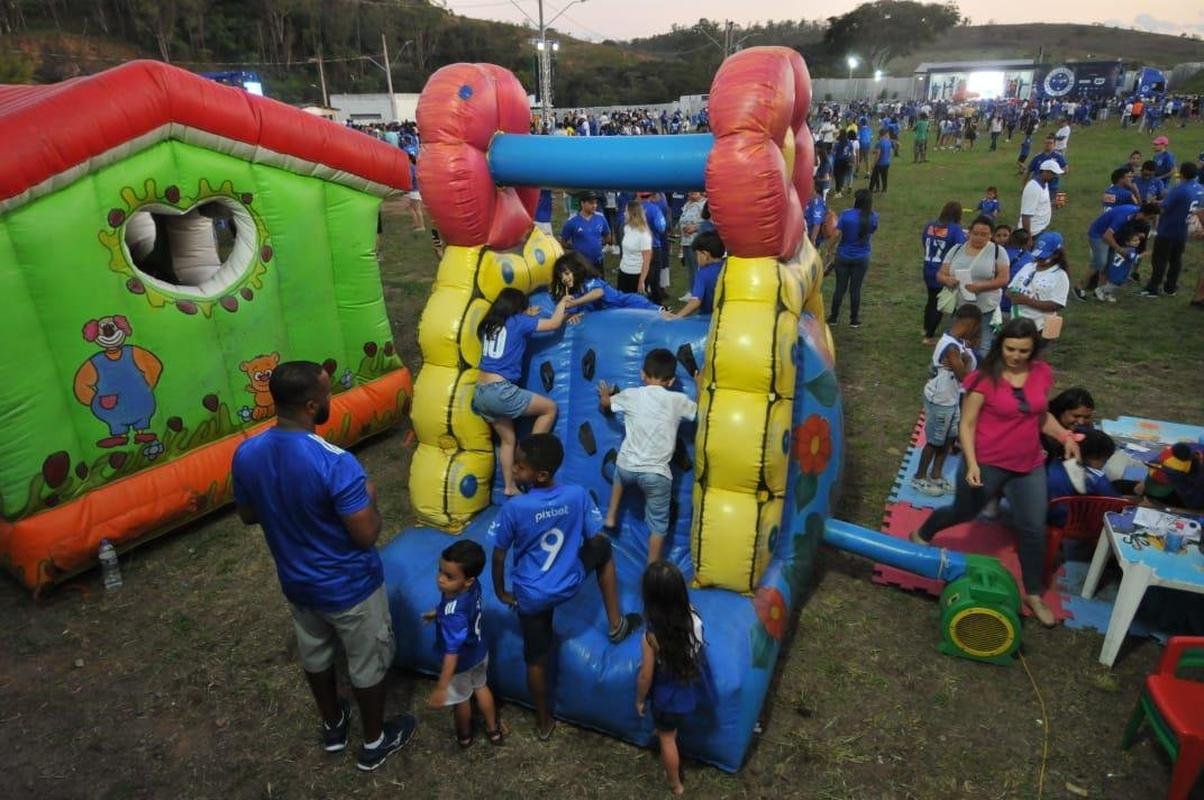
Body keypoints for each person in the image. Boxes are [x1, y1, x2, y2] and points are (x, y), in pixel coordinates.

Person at [232, 361, 417, 772]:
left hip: (297, 583)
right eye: (328, 394)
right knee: (368, 661)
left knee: (315, 653)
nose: (331, 399)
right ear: (312, 404)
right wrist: (369, 496)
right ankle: (374, 741)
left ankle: (333, 726)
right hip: (349, 585)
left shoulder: (246, 452)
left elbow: (248, 515)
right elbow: (366, 534)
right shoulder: (336, 462)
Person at [909, 317, 1081, 628]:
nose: (1016, 356)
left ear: (1033, 349)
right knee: (964, 510)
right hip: (986, 461)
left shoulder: (1041, 373)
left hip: (1028, 465)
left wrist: (1065, 436)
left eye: (1023, 350)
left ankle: (1033, 593)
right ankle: (923, 532)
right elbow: (967, 424)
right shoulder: (984, 378)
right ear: (1000, 345)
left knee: (1033, 528)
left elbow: (1040, 417)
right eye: (1010, 349)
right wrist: (972, 463)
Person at [489, 433, 640, 739]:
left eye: (519, 467)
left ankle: (544, 723)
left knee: (536, 658)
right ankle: (616, 623)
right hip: (568, 583)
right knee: (603, 548)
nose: (514, 471)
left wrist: (502, 592)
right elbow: (592, 535)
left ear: (541, 474)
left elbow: (499, 556)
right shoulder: (577, 495)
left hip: (531, 596)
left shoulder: (514, 509)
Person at [597, 349, 697, 564]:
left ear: (643, 374)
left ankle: (612, 515)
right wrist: (700, 384)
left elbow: (607, 405)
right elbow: (699, 413)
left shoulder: (632, 394)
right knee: (659, 523)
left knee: (618, 475)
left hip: (628, 468)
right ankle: (652, 565)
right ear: (670, 381)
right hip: (657, 474)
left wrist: (605, 396)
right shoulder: (678, 399)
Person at [473, 288, 569, 496]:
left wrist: (525, 314)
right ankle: (531, 455)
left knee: (508, 440)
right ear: (518, 308)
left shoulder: (490, 324)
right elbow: (553, 324)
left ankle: (509, 486)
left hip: (481, 393)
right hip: (500, 391)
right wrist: (561, 305)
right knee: (549, 409)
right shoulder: (519, 322)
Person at [635, 561, 714, 797]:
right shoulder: (694, 616)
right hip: (691, 684)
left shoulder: (651, 637)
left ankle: (675, 784)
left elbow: (646, 676)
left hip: (668, 697)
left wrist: (639, 699)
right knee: (670, 730)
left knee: (667, 739)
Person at [423, 540, 506, 747]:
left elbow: (452, 653)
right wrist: (438, 612)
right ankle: (493, 730)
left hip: (461, 664)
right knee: (481, 687)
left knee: (461, 700)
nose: (441, 579)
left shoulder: (454, 615)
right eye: (440, 571)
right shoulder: (473, 587)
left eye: (449, 576)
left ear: (467, 580)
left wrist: (442, 686)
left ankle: (464, 736)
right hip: (479, 651)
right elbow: (454, 607)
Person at [913, 304, 982, 496]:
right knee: (935, 441)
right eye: (977, 327)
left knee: (950, 438)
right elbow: (964, 378)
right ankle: (918, 477)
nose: (978, 332)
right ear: (970, 324)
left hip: (952, 399)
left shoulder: (956, 341)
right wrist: (966, 361)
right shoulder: (951, 348)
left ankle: (935, 474)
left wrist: (965, 357)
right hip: (941, 400)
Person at [936, 215, 1011, 360]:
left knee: (983, 345)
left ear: (991, 235)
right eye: (975, 233)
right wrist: (947, 280)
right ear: (969, 232)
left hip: (986, 307)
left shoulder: (998, 251)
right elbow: (941, 273)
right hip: (960, 307)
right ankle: (954, 370)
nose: (979, 238)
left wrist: (980, 286)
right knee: (955, 341)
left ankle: (980, 375)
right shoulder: (957, 249)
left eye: (984, 235)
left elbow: (1003, 278)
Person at [1142, 162, 1204, 298]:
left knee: (1159, 259)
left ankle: (1153, 288)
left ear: (1182, 173)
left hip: (1168, 229)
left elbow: (1164, 208)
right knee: (1176, 261)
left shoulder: (1179, 189)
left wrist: (1154, 203)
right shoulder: (1201, 189)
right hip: (1184, 230)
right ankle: (1170, 288)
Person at [1045, 429, 1121, 526]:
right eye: (1104, 461)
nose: (1103, 465)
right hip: (1073, 523)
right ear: (1094, 457)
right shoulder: (1094, 477)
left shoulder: (1053, 462)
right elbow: (1116, 503)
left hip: (1047, 517)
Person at [827, 189, 878, 328]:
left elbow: (837, 234)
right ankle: (854, 319)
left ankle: (833, 317)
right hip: (862, 256)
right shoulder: (873, 217)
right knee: (855, 289)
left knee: (840, 288)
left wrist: (829, 250)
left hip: (843, 255)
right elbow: (872, 231)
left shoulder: (846, 215)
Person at [551, 252, 658, 314]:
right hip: (620, 315)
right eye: (561, 276)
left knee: (667, 317)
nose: (563, 279)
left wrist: (575, 302)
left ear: (577, 270)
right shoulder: (578, 292)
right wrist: (572, 315)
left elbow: (599, 292)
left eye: (567, 273)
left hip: (633, 304)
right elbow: (572, 310)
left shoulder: (590, 282)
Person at [920, 201, 967, 342]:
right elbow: (961, 247)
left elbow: (924, 240)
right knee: (939, 304)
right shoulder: (955, 229)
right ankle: (929, 336)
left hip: (928, 265)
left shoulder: (930, 225)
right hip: (942, 270)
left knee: (931, 299)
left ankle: (925, 328)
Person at [1007, 236, 1070, 334]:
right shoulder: (1028, 266)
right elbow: (1010, 288)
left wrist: (1026, 301)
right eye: (1038, 255)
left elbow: (1056, 305)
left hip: (1041, 327)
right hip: (1017, 322)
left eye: (1044, 256)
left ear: (1056, 255)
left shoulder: (1060, 275)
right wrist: (1012, 294)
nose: (1040, 258)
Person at [663, 231, 725, 319]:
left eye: (697, 254)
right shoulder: (727, 267)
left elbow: (696, 301)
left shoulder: (703, 274)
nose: (696, 258)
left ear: (705, 254)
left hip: (706, 318)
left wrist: (677, 316)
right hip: (725, 317)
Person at [559, 192, 611, 275]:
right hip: (580, 263)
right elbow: (562, 241)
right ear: (582, 203)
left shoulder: (601, 218)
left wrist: (597, 244)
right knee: (580, 286)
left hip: (598, 262)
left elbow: (608, 237)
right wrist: (574, 247)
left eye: (595, 203)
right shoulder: (572, 221)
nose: (594, 206)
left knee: (598, 286)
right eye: (591, 203)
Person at [618, 200, 655, 298]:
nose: (624, 213)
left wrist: (641, 281)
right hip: (623, 272)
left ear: (632, 214)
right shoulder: (627, 228)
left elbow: (647, 261)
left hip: (636, 275)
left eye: (626, 211)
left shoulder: (644, 235)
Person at [1019, 160, 1061, 237]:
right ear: (1046, 172)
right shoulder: (1033, 188)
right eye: (1054, 174)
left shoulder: (1045, 184)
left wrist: (1052, 203)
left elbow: (1039, 204)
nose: (1055, 176)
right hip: (1033, 232)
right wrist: (1028, 238)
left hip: (1039, 229)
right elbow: (1025, 215)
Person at [678, 191, 705, 297]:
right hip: (686, 241)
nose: (691, 193)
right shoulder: (687, 204)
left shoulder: (704, 204)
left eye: (695, 191)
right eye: (690, 192)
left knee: (696, 268)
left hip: (697, 242)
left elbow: (710, 223)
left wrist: (695, 228)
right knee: (691, 268)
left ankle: (696, 294)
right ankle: (692, 290)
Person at [868, 128, 893, 193]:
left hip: (880, 163)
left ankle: (871, 189)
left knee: (874, 177)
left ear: (880, 134)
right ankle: (884, 189)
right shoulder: (888, 142)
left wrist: (874, 163)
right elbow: (888, 152)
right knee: (884, 177)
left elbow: (878, 154)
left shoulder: (880, 143)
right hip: (887, 162)